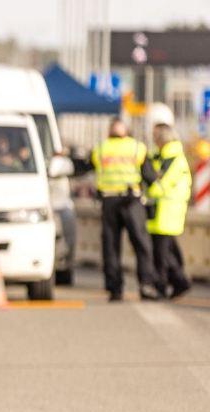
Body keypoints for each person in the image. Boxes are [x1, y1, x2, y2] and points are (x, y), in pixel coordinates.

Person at [89, 118, 161, 302]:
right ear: (127, 132)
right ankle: (146, 284)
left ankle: (114, 289)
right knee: (141, 244)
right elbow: (150, 176)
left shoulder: (101, 148)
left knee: (111, 246)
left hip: (109, 200)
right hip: (132, 201)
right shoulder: (137, 148)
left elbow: (86, 166)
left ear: (109, 131)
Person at [143, 123, 192, 299]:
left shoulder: (174, 159)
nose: (154, 140)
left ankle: (164, 286)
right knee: (169, 252)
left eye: (156, 137)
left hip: (167, 212)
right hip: (160, 213)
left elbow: (160, 186)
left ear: (163, 138)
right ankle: (180, 282)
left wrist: (149, 185)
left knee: (161, 254)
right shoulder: (161, 156)